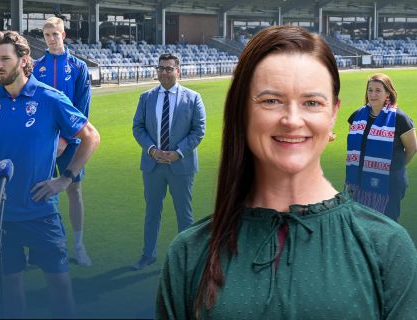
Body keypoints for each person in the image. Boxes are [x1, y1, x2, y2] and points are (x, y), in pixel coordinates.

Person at [156, 26, 417, 319]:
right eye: (270, 100)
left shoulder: (389, 248)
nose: (292, 120)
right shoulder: (189, 253)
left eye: (312, 102)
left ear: (333, 114)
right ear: (242, 112)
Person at [0, 31, 100, 318]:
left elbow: (91, 136)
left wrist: (66, 178)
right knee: (10, 289)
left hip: (41, 212)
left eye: (5, 58)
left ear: (23, 60)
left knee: (60, 289)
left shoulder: (49, 98)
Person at [132, 53, 206, 270]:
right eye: (161, 68)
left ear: (178, 71)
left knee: (184, 213)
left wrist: (178, 153)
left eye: (168, 68)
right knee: (152, 211)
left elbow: (198, 130)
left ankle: (186, 258)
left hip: (180, 166)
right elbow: (138, 127)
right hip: (153, 165)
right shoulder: (146, 97)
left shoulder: (193, 98)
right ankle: (148, 254)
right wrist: (152, 150)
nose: (164, 72)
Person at [33, 16, 92, 266]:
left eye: (55, 34)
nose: (51, 39)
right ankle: (41, 248)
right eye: (47, 35)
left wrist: (66, 138)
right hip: (42, 143)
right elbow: (32, 106)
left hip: (71, 143)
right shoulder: (36, 67)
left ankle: (78, 247)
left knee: (74, 190)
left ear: (63, 35)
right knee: (39, 191)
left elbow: (82, 107)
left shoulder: (78, 66)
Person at [345, 73, 416, 221]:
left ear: (388, 93)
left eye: (378, 90)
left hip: (389, 182)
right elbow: (355, 149)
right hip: (359, 181)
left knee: (387, 223)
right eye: (370, 90)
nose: (373, 94)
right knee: (360, 222)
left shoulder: (399, 118)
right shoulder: (357, 116)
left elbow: (411, 148)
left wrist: (395, 166)